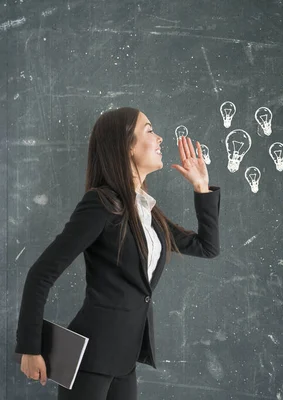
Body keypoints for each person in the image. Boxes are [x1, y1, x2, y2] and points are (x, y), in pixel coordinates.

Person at [14, 107, 221, 399]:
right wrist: (30, 348)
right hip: (91, 358)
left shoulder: (148, 212)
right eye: (149, 130)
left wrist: (202, 187)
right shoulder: (100, 204)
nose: (160, 138)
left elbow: (207, 247)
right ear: (127, 146)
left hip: (125, 360)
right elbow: (41, 274)